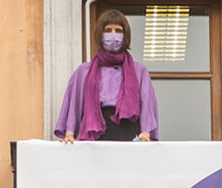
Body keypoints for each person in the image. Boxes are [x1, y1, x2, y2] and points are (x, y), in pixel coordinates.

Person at [55, 9, 159, 142]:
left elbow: (147, 104)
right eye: (108, 30)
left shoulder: (139, 70)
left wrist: (146, 132)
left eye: (118, 30)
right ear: (100, 33)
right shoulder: (84, 70)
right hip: (94, 132)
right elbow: (74, 103)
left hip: (128, 131)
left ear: (125, 35)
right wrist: (69, 133)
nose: (113, 35)